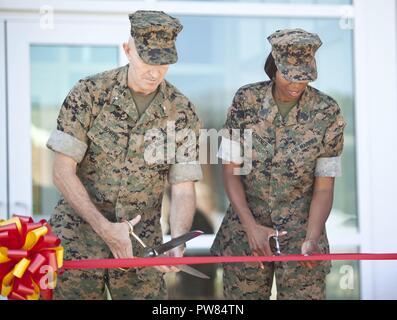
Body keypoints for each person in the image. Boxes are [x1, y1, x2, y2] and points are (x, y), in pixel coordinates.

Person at [46, 10, 202, 299]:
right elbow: (61, 171)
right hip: (78, 240)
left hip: (143, 248)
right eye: (147, 60)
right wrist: (105, 228)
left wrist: (178, 241)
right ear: (127, 50)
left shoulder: (182, 111)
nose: (155, 71)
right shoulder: (89, 94)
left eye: (164, 62)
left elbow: (182, 188)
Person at [211, 28, 346, 300]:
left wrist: (312, 237)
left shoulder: (327, 112)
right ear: (274, 66)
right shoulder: (245, 101)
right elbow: (230, 171)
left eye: (304, 77)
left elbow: (323, 186)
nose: (297, 85)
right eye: (289, 76)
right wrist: (250, 226)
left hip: (302, 236)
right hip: (245, 232)